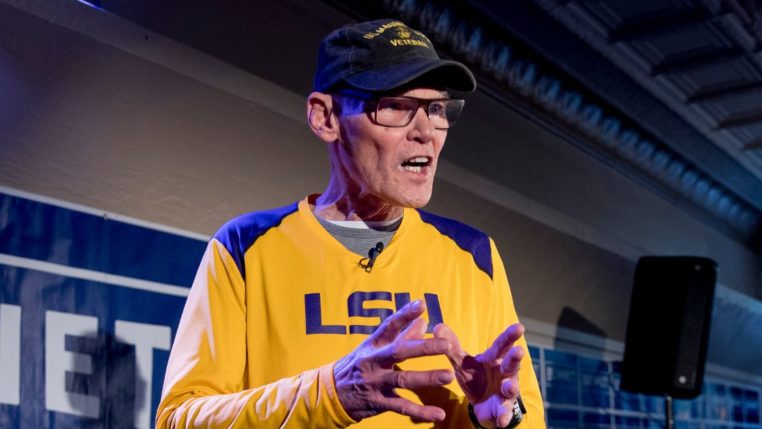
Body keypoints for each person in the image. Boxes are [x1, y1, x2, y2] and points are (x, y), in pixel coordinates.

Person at [156, 19, 546, 429]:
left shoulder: (474, 255)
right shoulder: (245, 248)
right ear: (325, 118)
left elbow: (526, 417)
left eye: (435, 109)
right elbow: (179, 419)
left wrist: (497, 417)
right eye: (396, 106)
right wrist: (330, 395)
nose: (426, 132)